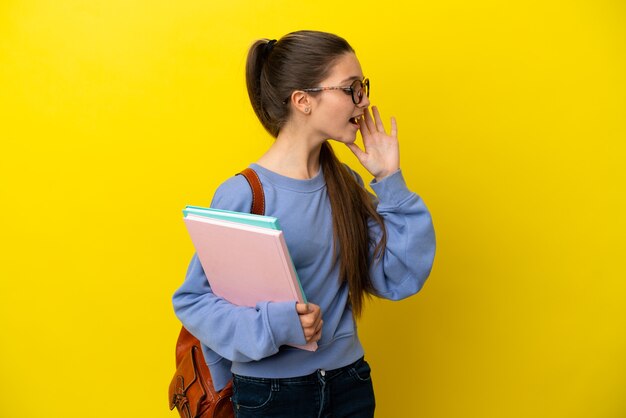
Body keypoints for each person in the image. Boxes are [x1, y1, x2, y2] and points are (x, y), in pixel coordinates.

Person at [173, 30, 436, 417]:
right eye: (351, 89)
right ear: (303, 101)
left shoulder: (345, 183)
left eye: (363, 87)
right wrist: (279, 325)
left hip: (350, 384)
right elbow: (194, 301)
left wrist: (390, 181)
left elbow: (397, 279)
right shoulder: (244, 194)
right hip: (270, 395)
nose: (363, 101)